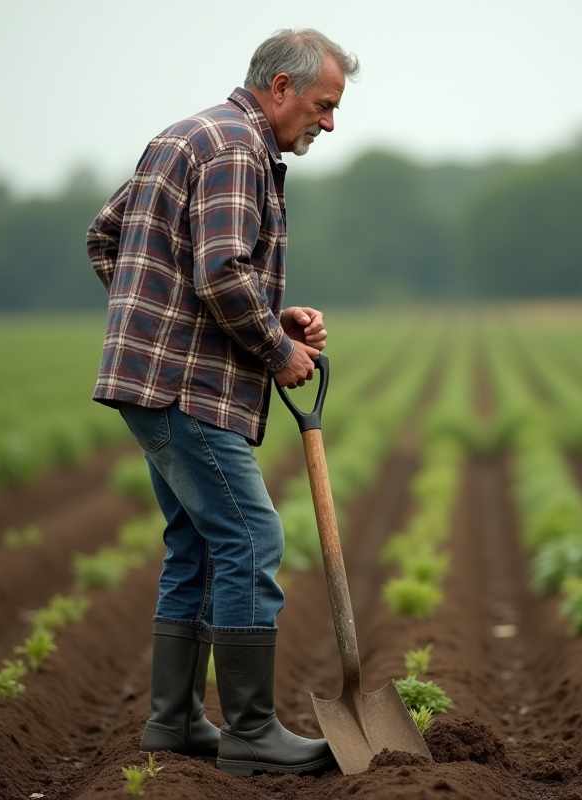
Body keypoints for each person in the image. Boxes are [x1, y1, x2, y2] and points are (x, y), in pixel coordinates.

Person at [85, 28, 359, 776]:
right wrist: (277, 349)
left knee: (197, 544)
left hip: (151, 383)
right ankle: (250, 731)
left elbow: (107, 236)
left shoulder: (186, 134)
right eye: (323, 105)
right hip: (186, 390)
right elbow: (221, 274)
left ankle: (172, 724)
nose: (329, 124)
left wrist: (161, 322)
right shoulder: (239, 149)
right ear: (280, 88)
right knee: (250, 540)